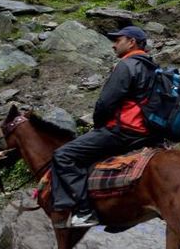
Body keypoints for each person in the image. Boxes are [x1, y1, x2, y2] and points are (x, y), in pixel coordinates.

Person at [50, 26, 163, 228]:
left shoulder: (127, 65)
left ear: (132, 42)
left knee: (63, 155)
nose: (113, 44)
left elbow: (106, 103)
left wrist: (99, 126)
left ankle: (84, 211)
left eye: (118, 40)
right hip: (147, 134)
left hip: (124, 131)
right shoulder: (153, 67)